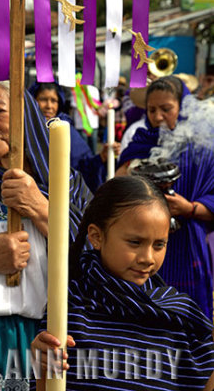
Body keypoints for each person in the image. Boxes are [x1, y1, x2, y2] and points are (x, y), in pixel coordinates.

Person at [0, 78, 93, 389]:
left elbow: (101, 261)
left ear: (25, 116)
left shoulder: (66, 187)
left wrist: (42, 208)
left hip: (47, 347)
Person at [31, 176, 214, 391]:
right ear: (96, 237)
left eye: (159, 245)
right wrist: (43, 367)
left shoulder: (179, 314)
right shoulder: (69, 309)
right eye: (135, 242)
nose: (147, 257)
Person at [116, 75, 214, 320]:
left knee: (190, 319)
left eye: (166, 109)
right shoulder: (141, 142)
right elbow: (116, 187)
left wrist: (190, 208)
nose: (158, 116)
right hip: (142, 242)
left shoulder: (204, 147)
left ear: (182, 108)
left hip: (188, 245)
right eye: (151, 109)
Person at [28, 81, 120, 193]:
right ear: (33, 101)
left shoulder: (66, 128)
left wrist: (102, 157)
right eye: (43, 99)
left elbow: (81, 167)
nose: (49, 106)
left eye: (54, 101)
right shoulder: (26, 128)